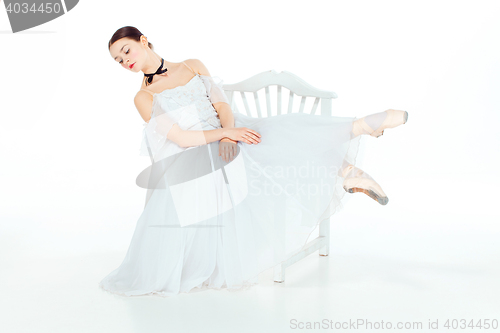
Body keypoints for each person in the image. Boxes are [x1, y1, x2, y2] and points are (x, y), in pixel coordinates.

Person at [100, 26, 408, 297]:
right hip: (196, 154)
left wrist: (230, 135)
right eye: (118, 60)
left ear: (144, 41)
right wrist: (225, 135)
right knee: (273, 148)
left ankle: (355, 141)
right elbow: (180, 138)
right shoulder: (144, 97)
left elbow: (221, 103)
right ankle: (352, 156)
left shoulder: (192, 65)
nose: (125, 61)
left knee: (280, 128)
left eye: (126, 50)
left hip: (228, 132)